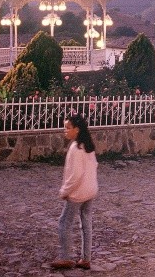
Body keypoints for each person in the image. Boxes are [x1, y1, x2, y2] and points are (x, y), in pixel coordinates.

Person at [51, 114, 99, 270]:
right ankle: (86, 258)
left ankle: (65, 257)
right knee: (86, 223)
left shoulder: (75, 148)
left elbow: (75, 175)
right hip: (90, 190)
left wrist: (65, 191)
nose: (65, 130)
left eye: (67, 127)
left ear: (76, 130)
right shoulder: (88, 146)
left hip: (78, 193)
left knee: (64, 222)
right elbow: (94, 166)